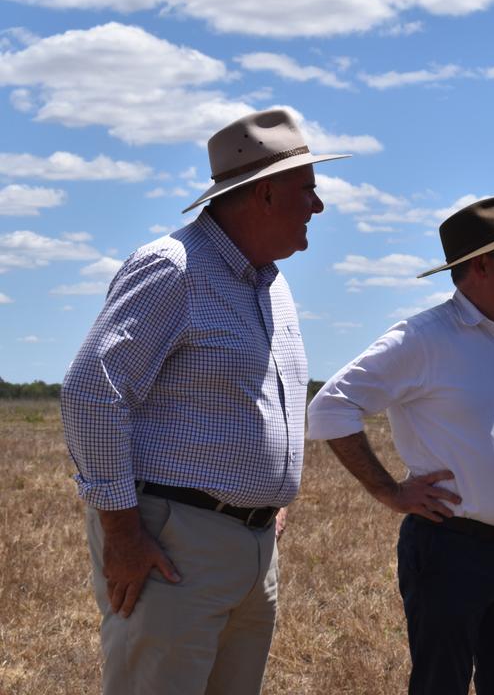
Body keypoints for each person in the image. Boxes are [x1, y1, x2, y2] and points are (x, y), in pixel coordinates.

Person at [61, 108, 349, 694]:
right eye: (308, 190)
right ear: (265, 194)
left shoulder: (272, 284)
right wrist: (122, 536)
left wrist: (267, 498)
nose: (317, 206)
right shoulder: (174, 269)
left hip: (252, 547)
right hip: (172, 546)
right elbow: (93, 392)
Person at [307, 196, 494, 695]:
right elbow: (330, 407)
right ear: (480, 266)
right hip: (450, 551)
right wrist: (391, 492)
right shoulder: (422, 338)